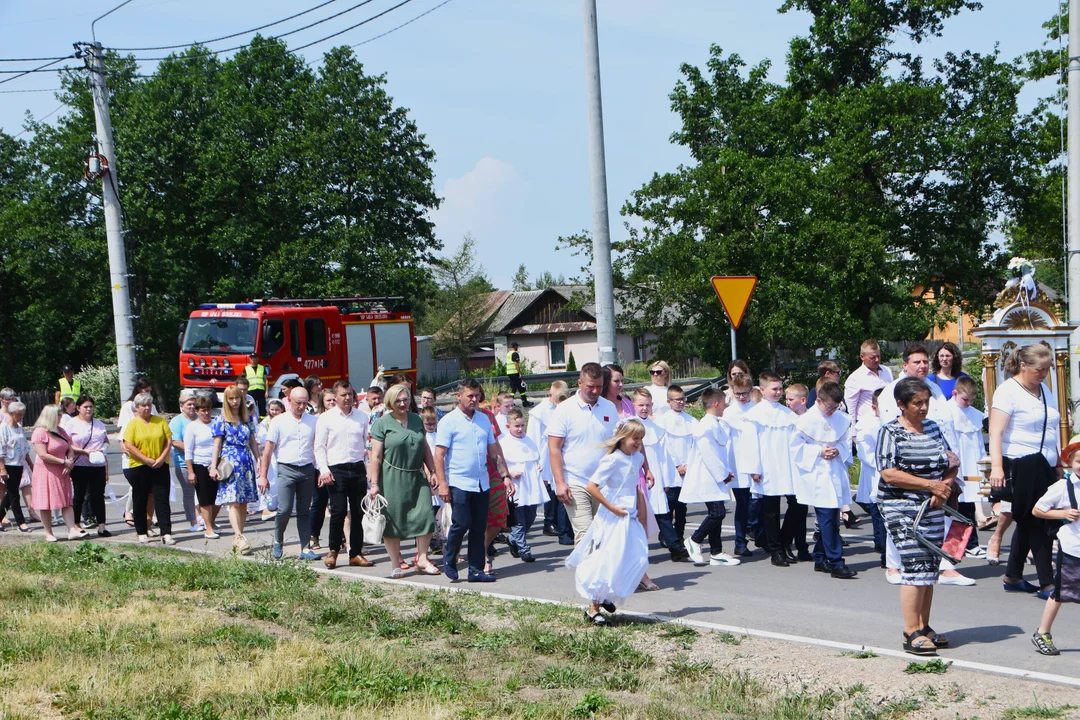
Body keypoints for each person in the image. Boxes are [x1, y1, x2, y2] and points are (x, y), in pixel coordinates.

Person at [877, 377, 958, 655]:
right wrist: (928, 484)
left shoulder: (934, 428)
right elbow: (888, 472)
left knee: (929, 565)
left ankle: (924, 626)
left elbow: (951, 462)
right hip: (900, 506)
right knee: (913, 562)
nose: (923, 408)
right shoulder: (890, 432)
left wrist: (944, 486)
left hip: (934, 505)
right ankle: (910, 631)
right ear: (901, 404)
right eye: (917, 403)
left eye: (926, 402)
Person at [989, 343, 1061, 598]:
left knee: (1027, 520)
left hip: (1044, 464)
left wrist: (1058, 462)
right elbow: (996, 432)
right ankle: (1047, 583)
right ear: (1024, 366)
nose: (1043, 374)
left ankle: (1013, 575)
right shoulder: (1007, 391)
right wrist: (996, 467)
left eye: (1047, 369)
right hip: (1021, 463)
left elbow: (1051, 426)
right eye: (1039, 369)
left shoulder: (1044, 390)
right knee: (1039, 521)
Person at [565, 419, 651, 625]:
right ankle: (593, 608)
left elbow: (636, 487)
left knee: (632, 557)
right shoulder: (612, 460)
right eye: (635, 438)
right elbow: (592, 486)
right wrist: (611, 507)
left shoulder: (637, 459)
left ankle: (606, 596)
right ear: (622, 437)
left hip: (629, 516)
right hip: (611, 516)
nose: (638, 442)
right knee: (605, 559)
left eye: (641, 439)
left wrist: (641, 511)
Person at [435, 379, 512, 582]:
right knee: (461, 523)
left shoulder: (484, 420)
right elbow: (439, 454)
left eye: (477, 395)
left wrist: (505, 476)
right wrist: (443, 484)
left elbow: (494, 450)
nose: (474, 399)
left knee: (479, 526)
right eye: (470, 395)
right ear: (459, 396)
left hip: (481, 482)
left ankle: (476, 569)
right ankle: (450, 558)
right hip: (459, 481)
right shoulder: (449, 421)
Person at [370, 384, 439, 576]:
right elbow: (375, 456)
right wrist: (374, 484)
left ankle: (422, 558)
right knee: (393, 521)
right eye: (398, 400)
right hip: (392, 478)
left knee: (426, 515)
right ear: (391, 402)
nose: (402, 404)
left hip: (417, 475)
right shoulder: (382, 424)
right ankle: (395, 564)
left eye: (405, 399)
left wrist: (432, 471)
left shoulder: (417, 419)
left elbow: (425, 447)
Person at [791, 381, 858, 579]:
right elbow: (795, 448)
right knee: (828, 518)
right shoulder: (805, 421)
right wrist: (819, 451)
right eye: (829, 407)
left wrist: (839, 450)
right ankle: (836, 562)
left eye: (836, 407)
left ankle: (820, 558)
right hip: (817, 473)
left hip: (835, 470)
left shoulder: (841, 419)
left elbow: (846, 442)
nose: (832, 411)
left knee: (830, 518)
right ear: (818, 400)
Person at [548, 363, 620, 542]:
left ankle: (600, 570)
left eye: (599, 386)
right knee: (585, 536)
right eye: (590, 386)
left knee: (604, 535)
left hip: (603, 482)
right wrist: (560, 483)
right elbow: (554, 448)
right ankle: (586, 569)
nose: (595, 391)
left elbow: (615, 444)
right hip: (575, 482)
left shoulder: (609, 407)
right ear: (580, 383)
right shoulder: (564, 410)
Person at [315, 380, 373, 569]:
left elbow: (368, 444)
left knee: (358, 512)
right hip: (336, 469)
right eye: (343, 395)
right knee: (339, 511)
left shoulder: (362, 417)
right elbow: (319, 447)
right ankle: (333, 551)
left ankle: (355, 553)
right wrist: (324, 469)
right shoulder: (326, 418)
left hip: (357, 468)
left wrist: (370, 468)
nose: (347, 398)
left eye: (350, 394)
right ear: (336, 397)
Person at [743, 372, 799, 567]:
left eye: (780, 388)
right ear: (762, 390)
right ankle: (776, 550)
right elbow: (750, 444)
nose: (778, 392)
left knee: (797, 505)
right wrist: (753, 468)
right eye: (774, 389)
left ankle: (784, 541)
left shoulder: (787, 414)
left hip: (788, 465)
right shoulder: (755, 415)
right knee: (771, 509)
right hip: (767, 466)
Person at [1030, 441, 1080, 656]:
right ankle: (1042, 632)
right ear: (1069, 462)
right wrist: (1062, 514)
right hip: (1072, 549)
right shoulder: (1062, 487)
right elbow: (1037, 510)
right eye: (1079, 461)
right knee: (1060, 593)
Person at [681, 387, 739, 567]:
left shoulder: (716, 423)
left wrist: (725, 471)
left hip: (717, 475)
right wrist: (722, 474)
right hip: (708, 476)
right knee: (718, 513)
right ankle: (694, 539)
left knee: (718, 512)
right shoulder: (705, 426)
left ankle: (716, 552)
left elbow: (721, 452)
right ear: (716, 403)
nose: (725, 406)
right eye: (723, 403)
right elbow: (709, 455)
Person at [260, 385, 318, 561]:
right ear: (290, 401)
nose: (301, 407)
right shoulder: (279, 421)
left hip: (307, 469)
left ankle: (305, 548)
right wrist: (263, 476)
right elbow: (268, 450)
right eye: (298, 403)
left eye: (304, 403)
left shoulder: (313, 421)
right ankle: (278, 542)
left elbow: (318, 447)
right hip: (286, 469)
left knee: (303, 510)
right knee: (284, 509)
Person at [632, 388, 688, 563]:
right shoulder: (629, 425)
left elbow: (665, 456)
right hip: (635, 475)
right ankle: (633, 552)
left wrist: (666, 479)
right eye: (641, 405)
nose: (644, 408)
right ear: (634, 405)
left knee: (662, 514)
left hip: (654, 475)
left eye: (647, 405)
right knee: (635, 515)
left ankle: (676, 548)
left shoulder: (656, 428)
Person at [211, 384, 260, 555]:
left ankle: (239, 536)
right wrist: (213, 466)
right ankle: (238, 535)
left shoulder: (247, 419)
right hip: (230, 463)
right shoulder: (221, 419)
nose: (234, 401)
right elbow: (216, 446)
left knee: (244, 501)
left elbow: (253, 442)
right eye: (231, 398)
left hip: (246, 461)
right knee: (233, 501)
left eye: (237, 398)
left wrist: (259, 460)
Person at [120, 394, 173, 546]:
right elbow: (128, 445)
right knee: (140, 499)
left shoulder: (160, 421)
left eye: (149, 404)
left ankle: (166, 532)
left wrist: (161, 458)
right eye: (143, 405)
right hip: (140, 466)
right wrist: (145, 459)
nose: (147, 408)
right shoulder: (133, 424)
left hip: (160, 464)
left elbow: (168, 440)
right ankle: (142, 531)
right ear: (137, 408)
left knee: (162, 499)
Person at [947, 376, 987, 561]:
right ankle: (953, 544)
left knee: (969, 504)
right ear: (955, 393)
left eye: (971, 400)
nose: (968, 403)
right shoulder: (946, 412)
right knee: (954, 506)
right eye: (965, 399)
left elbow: (978, 443)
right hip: (956, 463)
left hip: (972, 464)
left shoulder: (975, 414)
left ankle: (971, 543)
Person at [527, 380, 571, 541]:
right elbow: (532, 437)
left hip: (557, 452)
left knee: (555, 487)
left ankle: (557, 522)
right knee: (548, 489)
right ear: (550, 395)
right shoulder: (538, 413)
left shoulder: (562, 408)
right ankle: (549, 521)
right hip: (543, 454)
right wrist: (535, 459)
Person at [654, 384, 695, 547]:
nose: (681, 402)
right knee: (669, 504)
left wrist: (688, 464)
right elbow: (666, 446)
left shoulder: (691, 420)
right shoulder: (662, 421)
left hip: (687, 467)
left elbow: (694, 443)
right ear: (669, 401)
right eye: (677, 399)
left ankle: (678, 535)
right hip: (671, 470)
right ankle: (666, 534)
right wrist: (678, 464)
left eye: (683, 399)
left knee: (682, 507)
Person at [503, 409, 545, 563]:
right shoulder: (504, 443)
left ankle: (513, 539)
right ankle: (524, 550)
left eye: (522, 425)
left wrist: (538, 466)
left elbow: (534, 456)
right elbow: (501, 463)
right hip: (516, 487)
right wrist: (510, 473)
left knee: (530, 517)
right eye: (516, 426)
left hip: (531, 486)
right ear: (509, 427)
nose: (520, 429)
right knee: (519, 520)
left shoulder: (528, 440)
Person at [67, 395, 111, 537]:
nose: (88, 409)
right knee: (79, 495)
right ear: (78, 408)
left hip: (97, 464)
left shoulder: (99, 424)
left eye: (91, 406)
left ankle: (102, 526)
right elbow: (67, 445)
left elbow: (106, 440)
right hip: (80, 464)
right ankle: (76, 524)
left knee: (98, 495)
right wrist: (84, 451)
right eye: (85, 406)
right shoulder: (72, 424)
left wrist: (102, 450)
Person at [723, 374, 757, 557]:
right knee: (743, 504)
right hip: (737, 463)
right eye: (738, 394)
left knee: (758, 503)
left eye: (745, 393)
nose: (742, 397)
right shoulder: (729, 413)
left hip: (755, 462)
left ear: (751, 392)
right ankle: (740, 542)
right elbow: (725, 441)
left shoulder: (756, 410)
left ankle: (760, 535)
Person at [118, 376, 157, 529]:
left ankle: (148, 518)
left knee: (149, 491)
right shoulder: (128, 406)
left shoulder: (151, 406)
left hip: (150, 454)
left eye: (150, 392)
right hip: (133, 451)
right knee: (137, 487)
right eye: (146, 391)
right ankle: (130, 512)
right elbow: (124, 429)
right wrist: (124, 444)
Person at [854, 389, 886, 568]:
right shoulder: (869, 425)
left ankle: (883, 546)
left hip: (884, 473)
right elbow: (866, 453)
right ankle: (881, 546)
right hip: (876, 472)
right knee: (878, 512)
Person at [184, 395, 221, 539]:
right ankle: (209, 529)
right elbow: (188, 451)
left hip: (216, 464)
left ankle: (210, 522)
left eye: (208, 410)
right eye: (203, 410)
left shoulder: (216, 423)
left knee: (218, 498)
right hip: (200, 464)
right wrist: (191, 472)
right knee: (205, 498)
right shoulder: (192, 427)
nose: (206, 413)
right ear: (197, 411)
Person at [168, 390, 202, 533]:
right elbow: (176, 442)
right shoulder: (176, 421)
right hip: (183, 463)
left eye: (194, 404)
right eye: (189, 404)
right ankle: (193, 521)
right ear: (182, 406)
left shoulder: (200, 418)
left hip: (201, 462)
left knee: (203, 493)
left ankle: (204, 518)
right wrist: (193, 451)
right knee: (189, 493)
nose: (192, 407)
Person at [844, 340, 894, 427]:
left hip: (887, 422)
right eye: (872, 357)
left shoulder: (887, 371)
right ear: (862, 356)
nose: (877, 360)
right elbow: (850, 408)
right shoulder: (855, 378)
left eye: (878, 356)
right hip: (866, 425)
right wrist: (853, 433)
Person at [0, 401, 32, 532]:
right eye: (19, 414)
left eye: (22, 415)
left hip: (19, 464)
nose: (21, 417)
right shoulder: (3, 428)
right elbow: (0, 449)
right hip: (8, 464)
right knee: (14, 495)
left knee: (11, 494)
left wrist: (30, 463)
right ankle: (21, 522)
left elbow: (25, 447)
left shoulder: (18, 427)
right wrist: (2, 468)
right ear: (11, 413)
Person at [256, 399, 285, 522]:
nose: (274, 412)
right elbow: (262, 438)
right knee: (270, 480)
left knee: (280, 481)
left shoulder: (285, 419)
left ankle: (281, 505)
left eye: (277, 409)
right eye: (272, 409)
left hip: (282, 453)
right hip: (270, 454)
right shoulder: (265, 423)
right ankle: (267, 506)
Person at [505, 341, 534, 407]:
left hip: (509, 373)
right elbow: (516, 364)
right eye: (517, 346)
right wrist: (520, 373)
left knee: (514, 388)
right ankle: (525, 402)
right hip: (515, 373)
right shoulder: (515, 354)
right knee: (521, 388)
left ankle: (510, 402)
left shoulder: (508, 354)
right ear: (515, 347)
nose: (518, 347)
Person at [244, 351, 269, 416]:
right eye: (252, 358)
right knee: (251, 405)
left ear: (257, 359)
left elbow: (265, 380)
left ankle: (262, 420)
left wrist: (266, 391)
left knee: (262, 406)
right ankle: (253, 418)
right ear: (250, 359)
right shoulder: (246, 368)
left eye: (255, 358)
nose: (254, 360)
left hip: (261, 390)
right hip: (251, 390)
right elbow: (243, 381)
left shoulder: (262, 368)